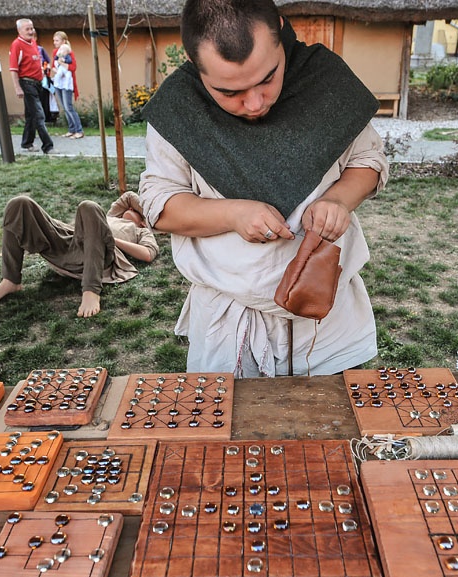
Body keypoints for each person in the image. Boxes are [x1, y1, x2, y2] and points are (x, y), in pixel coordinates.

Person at [138, 0, 389, 378]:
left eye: (268, 78)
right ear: (193, 61)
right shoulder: (178, 108)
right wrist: (233, 214)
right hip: (229, 322)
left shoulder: (325, 79)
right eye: (228, 92)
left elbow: (368, 161)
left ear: (281, 32)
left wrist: (339, 200)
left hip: (327, 317)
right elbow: (161, 205)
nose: (255, 104)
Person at [0, 192, 158, 318]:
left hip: (97, 254)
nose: (131, 210)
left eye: (136, 212)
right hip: (70, 241)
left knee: (89, 206)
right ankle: (10, 280)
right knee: (19, 203)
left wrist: (147, 220)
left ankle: (91, 290)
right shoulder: (110, 215)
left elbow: (148, 254)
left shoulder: (141, 231)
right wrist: (142, 208)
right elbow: (129, 197)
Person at [9, 18, 54, 154]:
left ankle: (27, 143)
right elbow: (13, 69)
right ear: (19, 31)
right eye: (27, 29)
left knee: (31, 116)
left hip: (38, 83)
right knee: (39, 115)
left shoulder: (33, 43)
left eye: (32, 28)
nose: (30, 31)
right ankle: (48, 146)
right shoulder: (16, 45)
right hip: (27, 83)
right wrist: (17, 87)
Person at [51, 31, 83, 138]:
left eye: (57, 40)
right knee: (64, 107)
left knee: (69, 106)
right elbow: (53, 66)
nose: (55, 42)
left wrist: (61, 64)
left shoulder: (69, 53)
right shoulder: (55, 52)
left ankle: (79, 130)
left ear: (63, 41)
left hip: (67, 84)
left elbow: (73, 67)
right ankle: (71, 129)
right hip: (58, 83)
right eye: (54, 40)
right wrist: (57, 70)